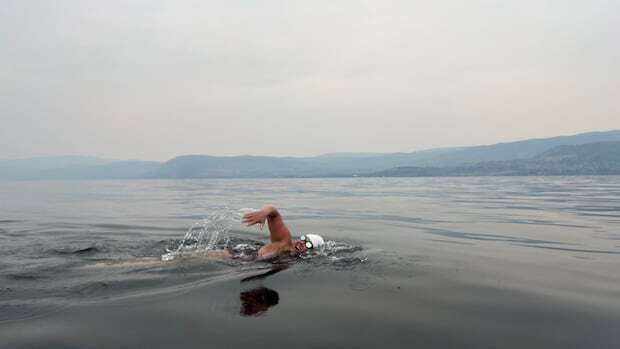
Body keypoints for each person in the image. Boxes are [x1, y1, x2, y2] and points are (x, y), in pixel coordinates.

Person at [242, 205, 325, 260]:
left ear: (311, 252)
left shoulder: (291, 256)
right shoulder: (285, 241)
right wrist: (263, 213)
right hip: (240, 258)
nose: (302, 243)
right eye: (304, 238)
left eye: (308, 244)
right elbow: (273, 212)